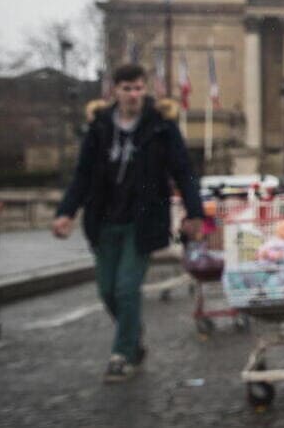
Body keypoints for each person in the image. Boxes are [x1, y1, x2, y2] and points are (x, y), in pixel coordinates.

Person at [51, 63, 203, 382]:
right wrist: (66, 212)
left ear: (144, 90)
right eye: (127, 88)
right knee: (106, 290)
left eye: (138, 88)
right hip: (103, 218)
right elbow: (82, 175)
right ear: (114, 91)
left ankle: (121, 354)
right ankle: (132, 335)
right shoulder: (100, 127)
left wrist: (195, 212)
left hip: (143, 219)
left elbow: (183, 171)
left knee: (126, 288)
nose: (133, 94)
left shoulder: (161, 126)